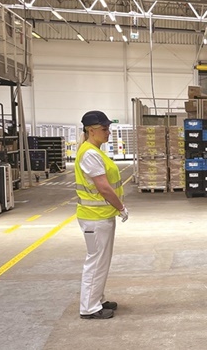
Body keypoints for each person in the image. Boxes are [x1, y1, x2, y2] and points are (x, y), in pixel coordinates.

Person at [75, 110, 129, 319]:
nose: (108, 132)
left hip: (100, 216)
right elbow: (104, 188)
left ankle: (96, 299)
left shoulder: (95, 150)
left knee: (101, 260)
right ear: (90, 130)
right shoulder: (89, 154)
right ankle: (89, 308)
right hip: (94, 218)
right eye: (104, 129)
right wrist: (121, 207)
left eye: (108, 128)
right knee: (96, 261)